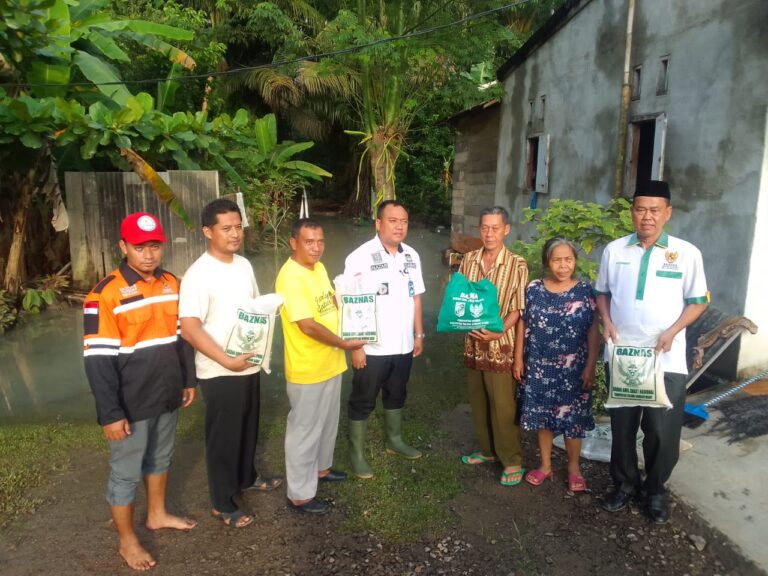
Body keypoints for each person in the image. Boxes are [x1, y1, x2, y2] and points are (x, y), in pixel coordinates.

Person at [83, 212, 197, 571]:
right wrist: (110, 413)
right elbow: (97, 362)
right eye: (139, 247)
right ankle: (127, 540)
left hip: (167, 393)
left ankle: (158, 514)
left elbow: (182, 338)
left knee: (161, 458)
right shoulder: (104, 294)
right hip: (130, 403)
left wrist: (188, 380)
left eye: (153, 247)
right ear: (123, 247)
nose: (148, 255)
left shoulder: (171, 283)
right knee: (125, 472)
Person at [596, 180, 709, 524]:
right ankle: (625, 484)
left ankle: (656, 490)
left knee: (662, 430)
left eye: (655, 210)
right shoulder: (615, 251)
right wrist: (606, 321)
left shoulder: (686, 253)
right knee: (623, 426)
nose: (647, 216)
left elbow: (698, 301)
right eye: (641, 209)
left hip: (665, 359)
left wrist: (673, 331)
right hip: (623, 356)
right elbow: (601, 293)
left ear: (668, 213)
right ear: (632, 212)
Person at [179, 198, 281, 529]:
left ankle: (246, 477)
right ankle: (222, 502)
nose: (235, 234)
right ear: (208, 231)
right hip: (220, 369)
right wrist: (226, 360)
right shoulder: (198, 274)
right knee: (224, 435)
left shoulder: (243, 265)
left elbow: (251, 309)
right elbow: (190, 328)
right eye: (226, 228)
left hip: (248, 360)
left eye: (238, 227)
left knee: (248, 424)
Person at [275, 219, 365, 514]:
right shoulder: (290, 277)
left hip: (331, 364)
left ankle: (321, 470)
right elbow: (307, 326)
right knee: (304, 430)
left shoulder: (320, 268)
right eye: (309, 242)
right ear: (294, 243)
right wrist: (345, 343)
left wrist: (356, 310)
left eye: (320, 241)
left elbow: (331, 304)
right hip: (308, 367)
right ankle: (299, 494)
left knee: (327, 423)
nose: (316, 248)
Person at [343, 200, 426, 479]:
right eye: (392, 220)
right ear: (378, 224)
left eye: (403, 221)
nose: (399, 226)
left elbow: (416, 297)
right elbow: (349, 302)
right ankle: (356, 453)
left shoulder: (411, 256)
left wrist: (418, 333)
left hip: (403, 344)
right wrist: (356, 346)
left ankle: (395, 440)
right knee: (363, 399)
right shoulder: (360, 257)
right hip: (372, 347)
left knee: (396, 394)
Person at [513, 238, 599, 492]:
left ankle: (574, 469)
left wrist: (591, 364)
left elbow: (593, 329)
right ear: (547, 262)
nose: (563, 265)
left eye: (568, 259)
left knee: (573, 419)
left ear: (575, 262)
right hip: (539, 365)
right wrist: (518, 358)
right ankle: (545, 466)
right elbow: (522, 322)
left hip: (574, 368)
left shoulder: (585, 291)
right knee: (543, 418)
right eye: (557, 260)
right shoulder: (534, 288)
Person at [458, 206, 528, 486]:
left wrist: (497, 330)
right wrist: (465, 323)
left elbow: (518, 308)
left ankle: (511, 460)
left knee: (503, 405)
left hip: (501, 345)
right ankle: (488, 452)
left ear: (506, 229)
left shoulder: (517, 264)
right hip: (473, 342)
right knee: (479, 400)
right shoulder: (470, 260)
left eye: (495, 228)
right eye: (485, 227)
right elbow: (460, 297)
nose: (489, 233)